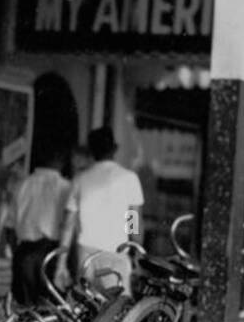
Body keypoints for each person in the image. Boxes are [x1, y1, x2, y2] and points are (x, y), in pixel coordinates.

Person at [55, 127, 144, 295]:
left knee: (87, 313)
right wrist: (137, 254)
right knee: (117, 315)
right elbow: (133, 223)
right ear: (115, 149)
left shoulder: (80, 179)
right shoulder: (129, 179)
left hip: (86, 257)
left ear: (91, 152)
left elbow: (68, 225)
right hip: (116, 256)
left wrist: (61, 264)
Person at [10, 148, 70, 305]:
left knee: (26, 310)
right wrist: (134, 239)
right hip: (51, 253)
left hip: (24, 252)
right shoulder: (67, 187)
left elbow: (9, 226)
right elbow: (133, 213)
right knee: (52, 310)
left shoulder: (22, 185)